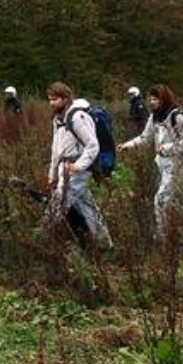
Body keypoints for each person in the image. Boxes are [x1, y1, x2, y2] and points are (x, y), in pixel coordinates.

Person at [119, 83, 183, 237]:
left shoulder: (176, 117)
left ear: (164, 99)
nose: (152, 102)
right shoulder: (154, 117)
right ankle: (181, 232)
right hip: (161, 165)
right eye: (151, 99)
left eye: (156, 99)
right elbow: (145, 137)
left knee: (161, 199)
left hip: (177, 165)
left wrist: (167, 148)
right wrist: (128, 145)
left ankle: (162, 236)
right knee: (178, 200)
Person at [45, 82, 112, 247]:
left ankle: (43, 240)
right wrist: (52, 172)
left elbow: (93, 145)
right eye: (50, 99)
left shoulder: (78, 118)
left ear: (65, 98)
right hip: (65, 167)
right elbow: (56, 149)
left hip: (78, 169)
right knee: (87, 205)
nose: (51, 103)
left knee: (59, 203)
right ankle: (104, 244)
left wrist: (79, 166)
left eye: (55, 99)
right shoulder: (58, 119)